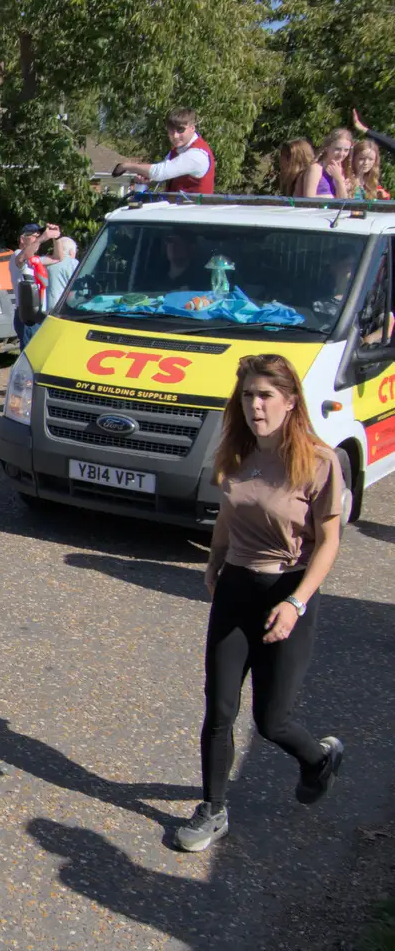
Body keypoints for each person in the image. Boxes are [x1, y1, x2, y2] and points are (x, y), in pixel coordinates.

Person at [176, 354, 346, 853]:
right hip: (235, 589)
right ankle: (212, 809)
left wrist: (295, 603)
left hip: (287, 593)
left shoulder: (319, 461)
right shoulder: (235, 449)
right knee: (220, 707)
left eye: (266, 395)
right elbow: (231, 510)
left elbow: (329, 542)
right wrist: (215, 560)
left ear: (291, 402)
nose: (255, 405)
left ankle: (319, 760)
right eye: (248, 395)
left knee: (272, 722)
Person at [112, 108, 216, 193]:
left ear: (192, 128)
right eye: (171, 130)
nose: (175, 136)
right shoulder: (176, 151)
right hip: (174, 213)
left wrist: (125, 166)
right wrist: (143, 182)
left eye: (180, 130)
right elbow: (158, 173)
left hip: (194, 215)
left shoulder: (197, 154)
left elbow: (159, 172)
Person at [7, 223, 58, 348]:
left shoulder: (35, 259)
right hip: (27, 313)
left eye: (39, 236)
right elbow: (21, 258)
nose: (38, 239)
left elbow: (57, 257)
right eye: (34, 236)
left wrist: (56, 238)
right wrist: (42, 239)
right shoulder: (18, 254)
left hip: (39, 312)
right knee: (29, 353)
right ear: (22, 239)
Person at [301, 129, 353, 199]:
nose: (341, 154)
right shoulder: (316, 169)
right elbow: (308, 200)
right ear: (327, 148)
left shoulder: (340, 170)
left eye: (346, 150)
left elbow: (343, 202)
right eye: (337, 149)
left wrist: (339, 181)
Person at [44, 236, 79, 313]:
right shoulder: (73, 263)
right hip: (65, 309)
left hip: (48, 308)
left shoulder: (48, 263)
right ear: (71, 252)